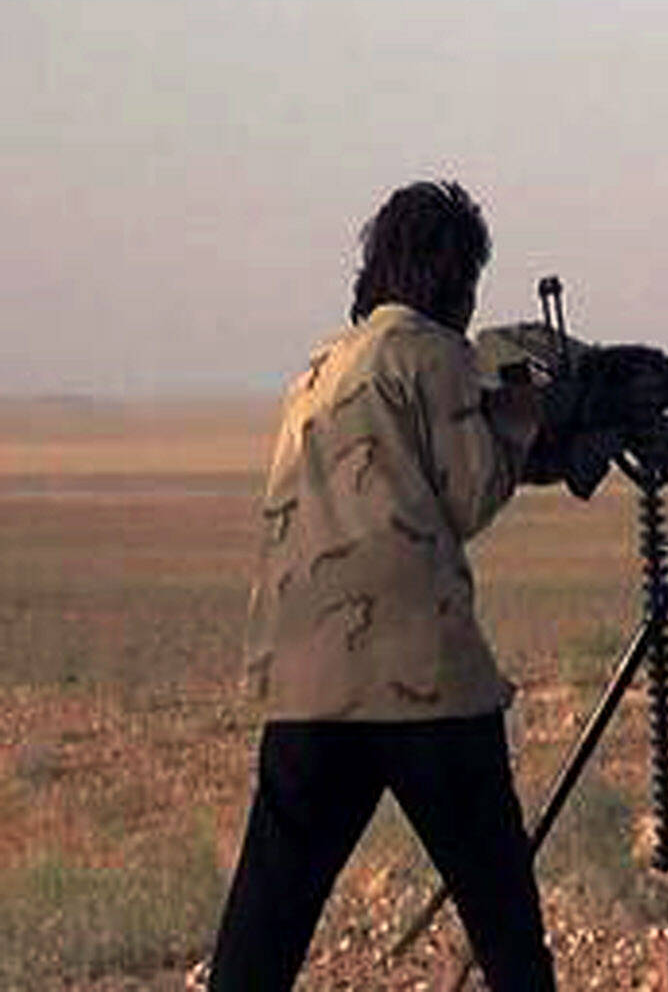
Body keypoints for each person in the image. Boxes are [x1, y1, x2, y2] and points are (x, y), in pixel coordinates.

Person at [210, 180, 559, 991]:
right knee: (503, 919)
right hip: (421, 685)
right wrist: (520, 422)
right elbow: (468, 493)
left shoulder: (317, 369)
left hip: (306, 685)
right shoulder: (430, 354)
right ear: (454, 276)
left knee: (266, 924)